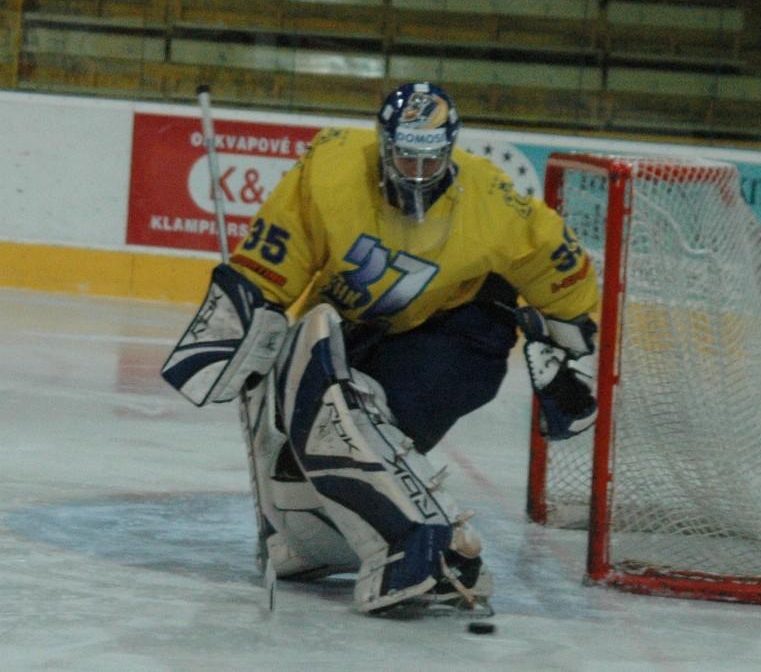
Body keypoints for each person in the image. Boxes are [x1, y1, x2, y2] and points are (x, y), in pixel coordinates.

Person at [161, 82, 599, 614]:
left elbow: (560, 269)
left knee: (337, 403)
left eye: (431, 160)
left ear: (450, 151)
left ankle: (420, 542)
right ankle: (319, 541)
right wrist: (250, 306)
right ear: (384, 145)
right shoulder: (332, 169)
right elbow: (274, 259)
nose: (418, 172)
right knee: (294, 432)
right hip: (361, 332)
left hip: (457, 339)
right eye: (406, 157)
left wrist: (570, 350)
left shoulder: (491, 203)